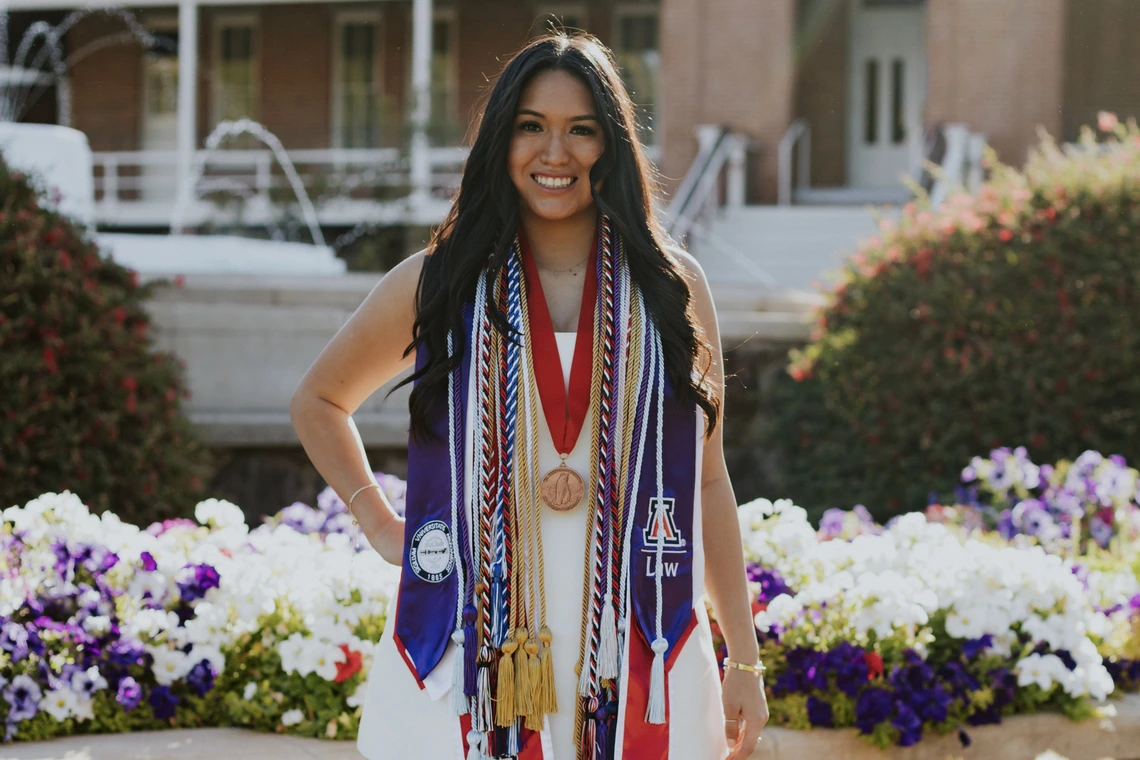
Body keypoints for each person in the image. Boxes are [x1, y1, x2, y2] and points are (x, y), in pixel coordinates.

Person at [290, 31, 768, 760]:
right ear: (499, 141)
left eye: (582, 130)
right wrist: (381, 523)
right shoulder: (442, 282)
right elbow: (320, 400)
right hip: (475, 642)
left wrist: (744, 660)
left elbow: (707, 478)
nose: (556, 153)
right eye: (531, 128)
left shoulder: (672, 289)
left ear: (611, 145)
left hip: (638, 634)